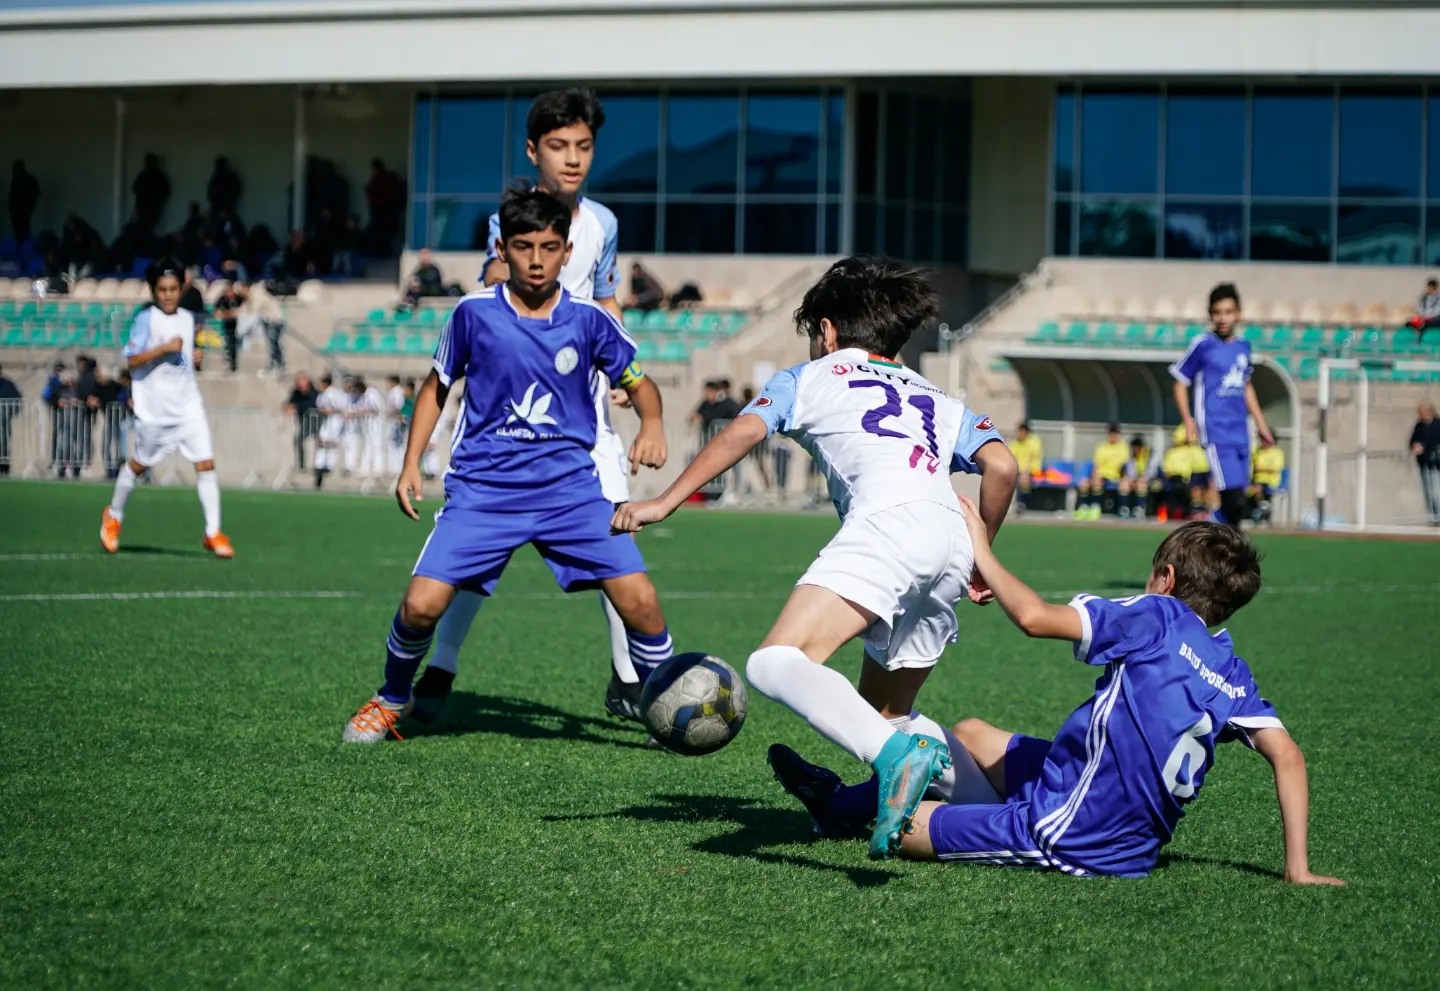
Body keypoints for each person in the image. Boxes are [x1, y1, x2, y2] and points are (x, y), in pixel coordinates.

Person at [613, 256, 1019, 860]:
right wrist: (983, 549)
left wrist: (666, 499)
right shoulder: (939, 398)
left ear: (827, 331)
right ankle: (995, 811)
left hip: (886, 525)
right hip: (951, 539)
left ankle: (892, 758)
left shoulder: (808, 377)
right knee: (887, 712)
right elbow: (1003, 465)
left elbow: (745, 432)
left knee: (776, 661)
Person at [771, 514, 1343, 885]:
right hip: (1089, 791)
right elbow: (1288, 755)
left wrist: (981, 549)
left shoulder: (1158, 616)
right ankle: (856, 798)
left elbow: (1035, 618)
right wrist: (1297, 868)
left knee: (904, 825)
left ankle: (835, 806)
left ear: (1164, 578)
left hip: (1077, 831)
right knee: (969, 730)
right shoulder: (1231, 668)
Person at [341, 188, 672, 743]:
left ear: (567, 252)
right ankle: (393, 696)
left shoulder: (589, 321)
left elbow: (639, 383)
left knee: (641, 602)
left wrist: (653, 425)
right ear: (503, 248)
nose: (537, 260)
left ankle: (667, 705)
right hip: (483, 493)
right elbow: (435, 387)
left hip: (570, 495)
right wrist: (410, 464)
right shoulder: (473, 314)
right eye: (523, 247)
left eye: (548, 247)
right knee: (421, 607)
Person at [425, 88, 659, 726]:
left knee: (617, 536)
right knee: (482, 546)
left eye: (584, 146)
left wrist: (621, 368)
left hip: (586, 419)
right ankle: (442, 661)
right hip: (513, 418)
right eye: (559, 147)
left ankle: (631, 679)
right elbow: (488, 292)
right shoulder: (511, 219)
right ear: (535, 151)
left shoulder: (603, 224)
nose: (573, 158)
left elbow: (606, 299)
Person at [100, 258, 234, 559]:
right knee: (139, 464)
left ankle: (213, 531)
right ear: (154, 290)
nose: (169, 295)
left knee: (206, 463)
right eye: (162, 289)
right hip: (155, 409)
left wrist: (193, 358)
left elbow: (182, 360)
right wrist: (163, 349)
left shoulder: (188, 318)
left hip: (188, 406)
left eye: (173, 289)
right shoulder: (146, 319)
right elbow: (132, 360)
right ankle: (114, 516)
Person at [1171, 283, 1275, 529]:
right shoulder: (1203, 344)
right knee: (1234, 499)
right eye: (1217, 312)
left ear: (1238, 313)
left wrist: (1261, 425)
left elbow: (1247, 387)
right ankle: (1199, 538)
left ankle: (1216, 548)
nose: (1222, 318)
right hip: (1216, 430)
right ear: (1210, 314)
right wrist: (1188, 420)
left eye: (1228, 312)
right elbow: (1179, 381)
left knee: (1238, 506)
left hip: (1241, 430)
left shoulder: (1243, 347)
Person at [1074, 424, 1128, 520]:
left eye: (1115, 434)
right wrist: (1095, 476)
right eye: (1111, 434)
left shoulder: (1123, 447)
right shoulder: (1102, 447)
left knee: (1124, 484)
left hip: (1116, 477)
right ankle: (1087, 508)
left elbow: (1124, 466)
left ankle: (1122, 509)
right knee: (1085, 483)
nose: (1113, 436)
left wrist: (1123, 478)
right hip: (1102, 475)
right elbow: (1096, 465)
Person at [89, 364, 124, 478]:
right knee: (106, 444)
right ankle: (109, 469)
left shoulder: (115, 385)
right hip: (108, 418)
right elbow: (92, 399)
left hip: (119, 419)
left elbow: (123, 396)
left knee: (118, 445)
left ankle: (117, 469)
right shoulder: (96, 386)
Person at [313, 373, 346, 489]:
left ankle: (328, 466)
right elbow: (320, 406)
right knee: (321, 443)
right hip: (325, 422)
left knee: (332, 445)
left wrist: (330, 411)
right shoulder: (322, 395)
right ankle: (319, 466)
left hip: (335, 421)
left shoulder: (334, 394)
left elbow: (341, 408)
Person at [1411, 401, 1440, 526]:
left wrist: (1424, 446)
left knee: (1435, 492)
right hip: (1424, 464)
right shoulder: (1419, 426)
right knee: (1428, 492)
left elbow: (1435, 439)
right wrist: (1414, 446)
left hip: (1435, 465)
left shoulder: (1437, 424)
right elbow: (1412, 440)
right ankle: (1432, 518)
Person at [283, 371, 319, 472]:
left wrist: (296, 407)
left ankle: (319, 465)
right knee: (298, 439)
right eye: (298, 381)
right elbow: (288, 403)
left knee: (318, 441)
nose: (300, 383)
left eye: (302, 380)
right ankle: (301, 465)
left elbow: (311, 404)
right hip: (303, 422)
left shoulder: (314, 392)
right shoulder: (296, 393)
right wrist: (288, 407)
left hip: (316, 422)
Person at [1248, 436, 1285, 524]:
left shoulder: (1277, 453)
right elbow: (1252, 466)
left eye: (1263, 440)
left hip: (1271, 482)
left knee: (1259, 488)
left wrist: (1260, 469)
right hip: (1256, 481)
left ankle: (1261, 511)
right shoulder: (1258, 451)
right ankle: (1260, 509)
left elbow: (1275, 468)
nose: (1261, 442)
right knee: (1248, 490)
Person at [132, 153, 171, 234]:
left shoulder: (152, 176)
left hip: (150, 209)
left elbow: (134, 189)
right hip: (146, 209)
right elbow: (134, 189)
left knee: (146, 231)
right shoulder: (145, 175)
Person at [1008, 421, 1042, 511]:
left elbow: (1035, 459)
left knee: (1024, 479)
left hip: (1033, 471)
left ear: (1025, 432)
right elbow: (1011, 458)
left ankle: (1022, 503)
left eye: (1019, 431)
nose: (1018, 434)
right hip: (1018, 471)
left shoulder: (1034, 443)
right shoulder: (1014, 444)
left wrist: (1027, 470)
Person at [213, 281, 247, 374]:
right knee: (227, 344)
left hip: (236, 326)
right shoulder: (223, 299)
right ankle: (228, 361)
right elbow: (217, 310)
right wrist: (226, 314)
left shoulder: (237, 298)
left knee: (233, 345)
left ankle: (233, 363)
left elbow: (243, 308)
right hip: (226, 326)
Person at [8, 161, 40, 244]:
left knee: (23, 226)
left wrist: (29, 204)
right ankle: (21, 244)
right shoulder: (16, 179)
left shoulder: (29, 179)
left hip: (24, 208)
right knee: (18, 226)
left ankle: (23, 244)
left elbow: (36, 193)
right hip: (17, 208)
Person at [0, 364, 19, 476]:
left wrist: (10, 413)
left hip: (4, 420)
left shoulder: (8, 384)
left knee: (4, 442)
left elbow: (16, 399)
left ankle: (4, 467)